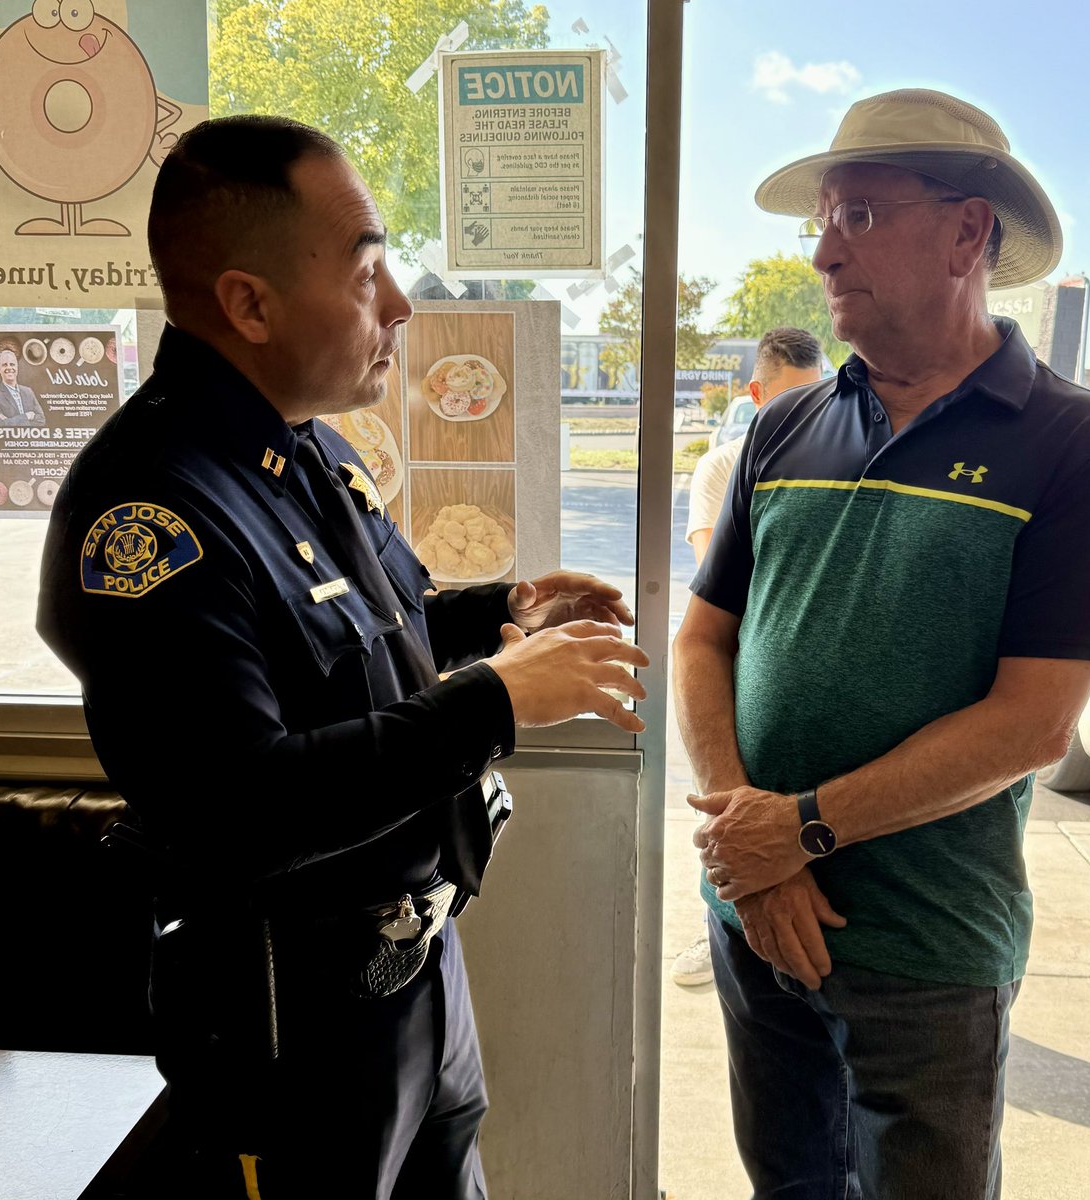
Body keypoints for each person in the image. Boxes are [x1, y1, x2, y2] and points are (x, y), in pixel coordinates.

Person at [35, 114, 650, 1200]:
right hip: (289, 1027)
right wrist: (494, 704)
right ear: (249, 304)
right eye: (369, 270)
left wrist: (502, 612)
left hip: (414, 981)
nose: (403, 304)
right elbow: (237, 802)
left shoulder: (300, 444)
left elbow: (375, 620)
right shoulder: (148, 511)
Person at [671, 87, 1090, 1199]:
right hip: (750, 915)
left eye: (862, 217)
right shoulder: (784, 426)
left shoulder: (1076, 440)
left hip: (929, 951)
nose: (827, 253)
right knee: (788, 1186)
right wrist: (750, 845)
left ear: (969, 232)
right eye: (822, 222)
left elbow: (1036, 724)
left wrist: (802, 831)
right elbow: (703, 641)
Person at [671, 327, 823, 988]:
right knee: (733, 820)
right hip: (738, 678)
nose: (805, 417)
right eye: (788, 402)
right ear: (756, 395)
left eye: (814, 400)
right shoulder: (725, 465)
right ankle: (731, 919)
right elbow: (717, 579)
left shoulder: (841, 462)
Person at [0, 347, 45, 425]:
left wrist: (10, 421)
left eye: (12, 364)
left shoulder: (28, 391)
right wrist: (27, 416)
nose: (9, 367)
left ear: (17, 367)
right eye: (4, 365)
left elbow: (41, 420)